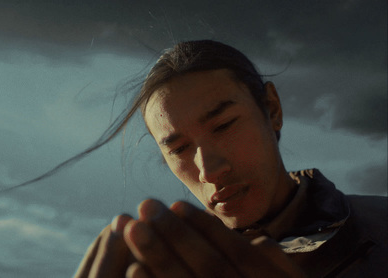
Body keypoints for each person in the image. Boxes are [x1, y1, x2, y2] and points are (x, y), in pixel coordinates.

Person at [74, 40, 387, 278]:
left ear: (272, 109)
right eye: (179, 149)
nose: (209, 170)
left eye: (223, 126)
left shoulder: (379, 226)